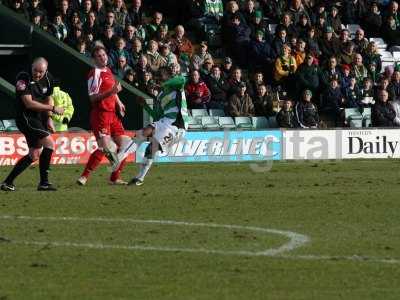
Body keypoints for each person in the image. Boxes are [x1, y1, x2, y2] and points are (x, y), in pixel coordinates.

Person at [112, 64, 189, 186]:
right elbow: (158, 116)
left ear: (169, 75)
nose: (158, 77)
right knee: (145, 140)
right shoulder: (160, 95)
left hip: (177, 126)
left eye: (161, 74)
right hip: (165, 122)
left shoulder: (177, 86)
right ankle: (134, 174)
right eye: (157, 75)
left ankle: (126, 164)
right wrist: (145, 106)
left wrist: (163, 84)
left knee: (149, 141)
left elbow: (183, 79)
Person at [1, 57, 64, 191]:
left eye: (41, 71)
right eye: (35, 70)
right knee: (50, 143)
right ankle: (44, 183)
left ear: (46, 71)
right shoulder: (23, 77)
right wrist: (53, 109)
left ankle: (8, 182)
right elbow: (28, 103)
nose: (37, 74)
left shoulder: (48, 78)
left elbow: (49, 97)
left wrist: (49, 118)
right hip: (25, 118)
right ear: (32, 66)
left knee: (34, 154)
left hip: (37, 118)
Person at [77, 45, 131, 186]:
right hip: (100, 115)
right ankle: (84, 176)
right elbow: (92, 98)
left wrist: (119, 102)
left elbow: (112, 90)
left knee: (127, 145)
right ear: (94, 59)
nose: (103, 57)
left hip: (112, 114)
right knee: (105, 148)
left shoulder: (107, 70)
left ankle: (114, 178)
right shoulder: (94, 73)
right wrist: (112, 92)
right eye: (99, 56)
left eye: (104, 54)